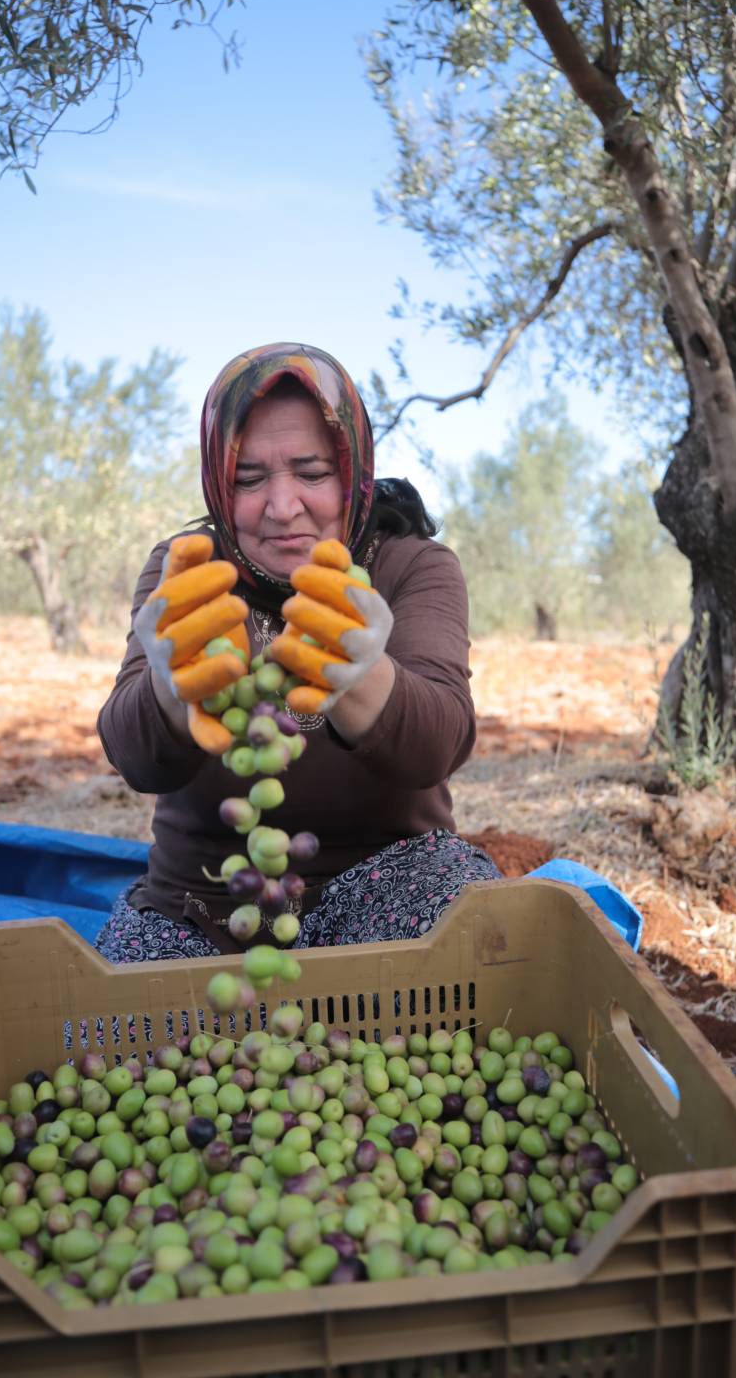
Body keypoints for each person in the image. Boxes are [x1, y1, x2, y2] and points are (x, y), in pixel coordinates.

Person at [94, 342, 502, 960]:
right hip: (204, 910)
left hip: (389, 891)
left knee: (480, 943)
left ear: (352, 467)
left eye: (312, 473)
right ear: (216, 485)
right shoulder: (188, 574)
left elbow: (440, 742)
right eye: (248, 479)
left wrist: (362, 674)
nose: (283, 509)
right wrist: (169, 687)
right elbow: (133, 757)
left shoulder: (412, 566)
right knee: (112, 1042)